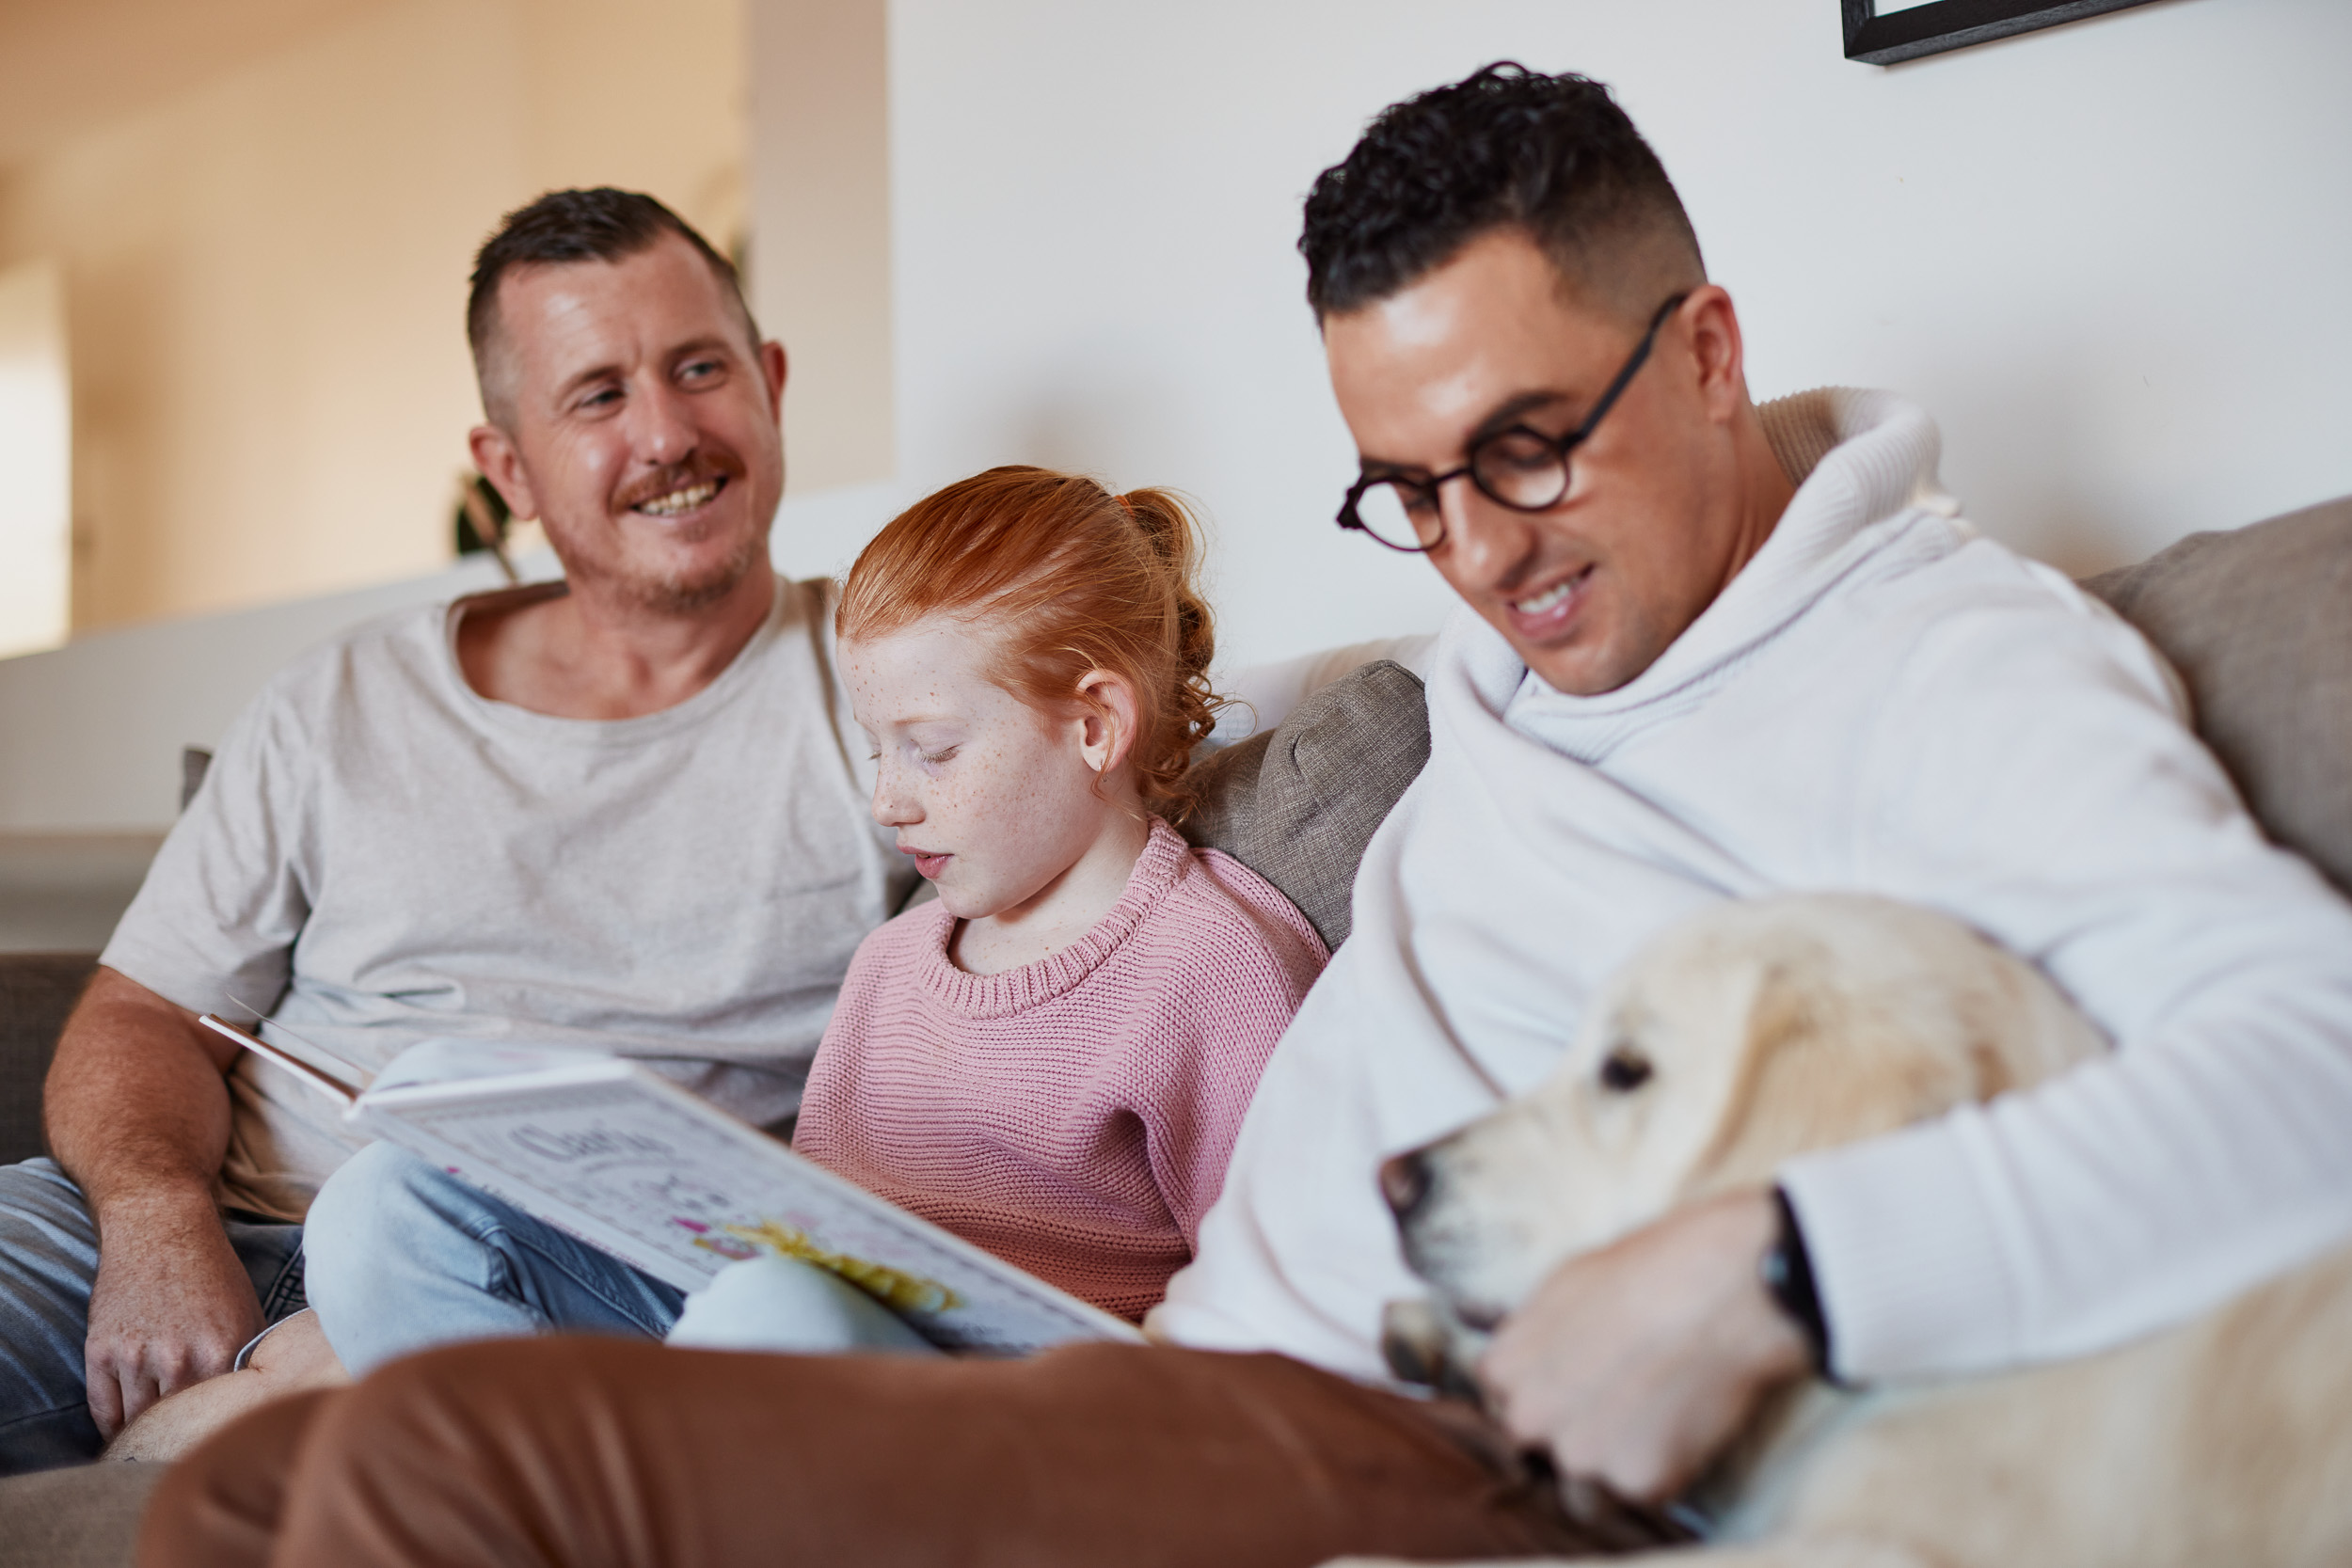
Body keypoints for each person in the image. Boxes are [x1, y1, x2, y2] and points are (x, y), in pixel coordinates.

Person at [140, 64, 2352, 1567]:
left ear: (1706, 350)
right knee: (230, 1509)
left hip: (1431, 1434)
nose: (1481, 551)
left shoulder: (1945, 665)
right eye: (1405, 487)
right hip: (1180, 1375)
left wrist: (1774, 1267)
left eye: (1526, 445)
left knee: (442, 1450)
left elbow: (2312, 1065)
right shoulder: (1533, 641)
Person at [0, 187, 919, 1473]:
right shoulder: (343, 696)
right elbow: (147, 1010)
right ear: (509, 470)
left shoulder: (899, 687)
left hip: (565, 1269)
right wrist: (156, 1223)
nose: (667, 431)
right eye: (597, 395)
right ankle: (270, 1398)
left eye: (699, 368)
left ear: (768, 383)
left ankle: (310, 1399)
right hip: (220, 1216)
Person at [310, 466, 1327, 1372]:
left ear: (1095, 725)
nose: (887, 799)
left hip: (1018, 1424)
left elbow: (1277, 1300)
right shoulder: (891, 964)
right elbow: (805, 1242)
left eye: (929, 749)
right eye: (873, 748)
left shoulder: (1213, 960)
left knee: (776, 1314)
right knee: (382, 1205)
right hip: (791, 1356)